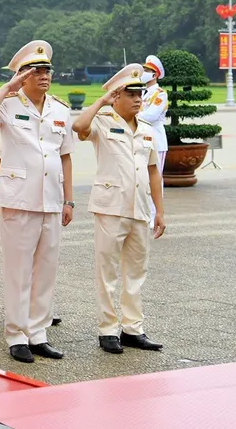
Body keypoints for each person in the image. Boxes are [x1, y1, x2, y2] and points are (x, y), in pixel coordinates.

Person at [0, 40, 75, 364]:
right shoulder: (8, 104)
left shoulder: (60, 110)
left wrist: (69, 200)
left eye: (47, 70)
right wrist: (7, 88)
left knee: (46, 270)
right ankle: (16, 334)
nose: (44, 76)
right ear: (22, 75)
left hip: (51, 200)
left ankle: (39, 333)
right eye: (36, 71)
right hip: (18, 200)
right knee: (19, 272)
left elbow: (66, 157)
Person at [72, 64, 167, 354]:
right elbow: (78, 127)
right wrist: (101, 102)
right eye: (131, 94)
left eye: (140, 93)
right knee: (108, 272)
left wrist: (159, 211)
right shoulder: (102, 121)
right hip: (110, 207)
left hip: (139, 209)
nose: (139, 99)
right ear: (117, 97)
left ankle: (133, 329)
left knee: (136, 272)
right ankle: (107, 330)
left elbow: (153, 172)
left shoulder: (147, 130)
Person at [140, 55, 169, 205]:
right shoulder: (142, 93)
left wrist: (132, 116)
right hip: (142, 139)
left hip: (156, 140)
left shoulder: (160, 94)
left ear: (155, 74)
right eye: (143, 69)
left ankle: (154, 214)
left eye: (147, 70)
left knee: (155, 178)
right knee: (143, 178)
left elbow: (151, 115)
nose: (143, 72)